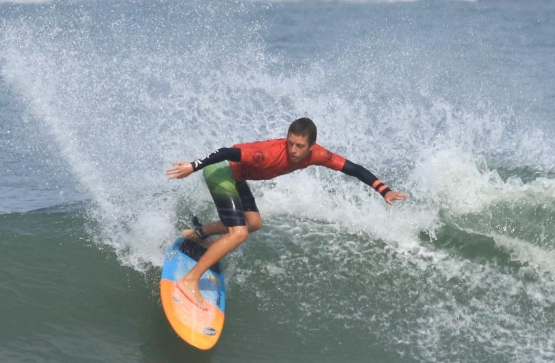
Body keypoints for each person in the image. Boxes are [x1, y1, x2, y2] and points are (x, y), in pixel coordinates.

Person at [166, 118, 408, 309]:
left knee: (253, 223)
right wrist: (193, 166)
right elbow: (226, 152)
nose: (293, 150)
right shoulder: (269, 152)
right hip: (221, 171)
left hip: (237, 176)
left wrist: (384, 190)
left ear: (311, 146)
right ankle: (189, 281)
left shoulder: (319, 155)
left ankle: (198, 233)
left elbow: (352, 168)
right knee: (239, 234)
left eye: (299, 146)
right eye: (290, 142)